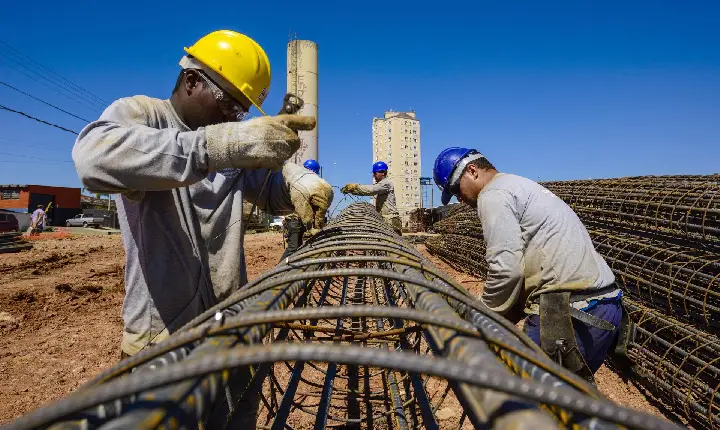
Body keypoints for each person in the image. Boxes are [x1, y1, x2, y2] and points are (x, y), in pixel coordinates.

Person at [72, 30, 333, 426]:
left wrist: (297, 182)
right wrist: (218, 145)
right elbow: (93, 159)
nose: (234, 117)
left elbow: (265, 186)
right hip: (160, 341)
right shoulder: (143, 115)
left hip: (228, 328)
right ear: (193, 80)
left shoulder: (229, 145)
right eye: (230, 102)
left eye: (242, 111)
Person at [432, 147, 623, 381]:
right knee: (566, 401)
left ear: (472, 171)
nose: (459, 199)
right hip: (606, 305)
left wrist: (480, 317)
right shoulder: (518, 184)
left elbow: (506, 270)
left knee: (529, 405)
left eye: (455, 190)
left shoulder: (493, 194)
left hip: (568, 312)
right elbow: (525, 274)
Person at [340, 161, 402, 234]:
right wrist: (352, 191)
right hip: (386, 219)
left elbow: (371, 190)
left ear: (383, 173)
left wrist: (356, 187)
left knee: (392, 243)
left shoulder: (386, 183)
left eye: (375, 173)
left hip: (391, 220)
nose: (373, 176)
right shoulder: (381, 184)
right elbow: (369, 191)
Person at [278, 159, 321, 262]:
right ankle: (279, 270)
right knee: (293, 247)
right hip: (294, 219)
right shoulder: (301, 183)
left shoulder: (297, 180)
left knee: (298, 246)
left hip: (296, 219)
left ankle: (290, 268)